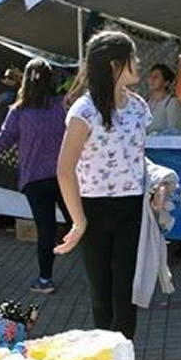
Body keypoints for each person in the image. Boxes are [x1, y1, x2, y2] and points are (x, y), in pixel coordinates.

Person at [54, 30, 152, 341]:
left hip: (132, 208)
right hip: (93, 211)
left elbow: (138, 157)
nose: (138, 62)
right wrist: (79, 221)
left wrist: (157, 187)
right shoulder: (84, 111)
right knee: (102, 295)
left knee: (126, 295)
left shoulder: (138, 107)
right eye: (132, 57)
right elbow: (64, 170)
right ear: (114, 64)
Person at [0, 58, 70, 294]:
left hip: (34, 179)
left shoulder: (19, 111)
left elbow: (2, 144)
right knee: (79, 224)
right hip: (64, 176)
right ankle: (103, 270)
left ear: (25, 79)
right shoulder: (61, 106)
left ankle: (45, 280)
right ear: (50, 80)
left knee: (46, 229)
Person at [146, 63, 181, 133]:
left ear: (166, 82)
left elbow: (174, 130)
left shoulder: (172, 103)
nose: (152, 79)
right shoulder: (145, 103)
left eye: (156, 77)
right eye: (151, 76)